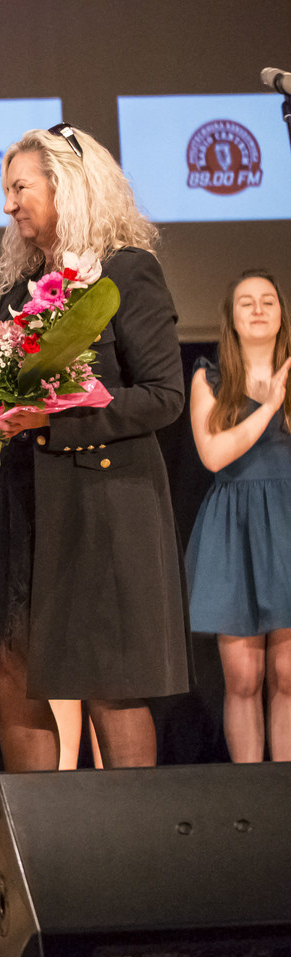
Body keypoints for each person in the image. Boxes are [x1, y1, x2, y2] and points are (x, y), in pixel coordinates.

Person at [0, 124, 188, 771]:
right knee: (11, 668)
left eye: (19, 188)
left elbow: (163, 396)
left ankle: (129, 834)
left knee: (107, 681)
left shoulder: (127, 272)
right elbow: (4, 389)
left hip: (103, 502)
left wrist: (54, 423)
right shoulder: (22, 290)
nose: (8, 204)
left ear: (68, 185)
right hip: (26, 502)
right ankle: (36, 832)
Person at [187, 270, 291, 762]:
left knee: (288, 675)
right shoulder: (209, 378)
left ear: (282, 314)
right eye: (246, 301)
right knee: (244, 678)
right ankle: (250, 792)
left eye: (268, 300)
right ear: (230, 317)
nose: (258, 309)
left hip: (286, 525)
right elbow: (213, 456)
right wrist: (267, 407)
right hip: (234, 527)